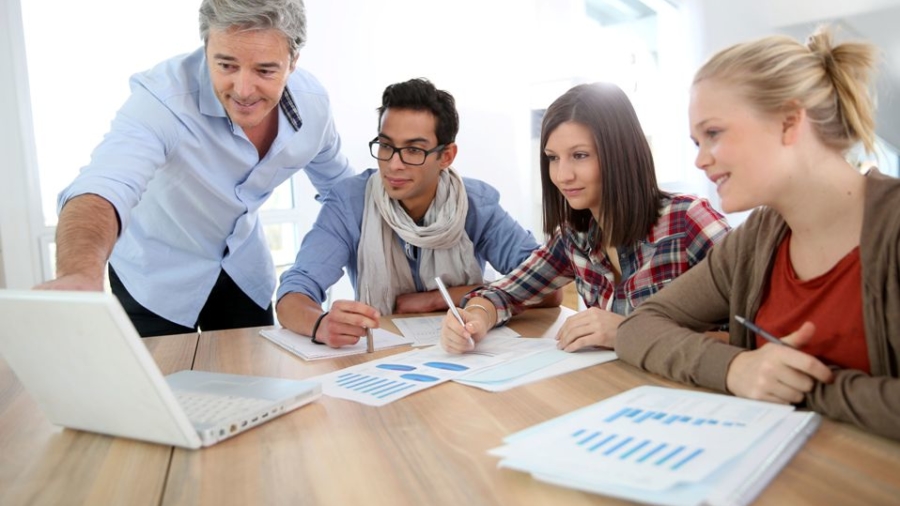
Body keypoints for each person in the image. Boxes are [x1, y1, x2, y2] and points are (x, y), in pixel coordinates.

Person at [616, 27, 900, 441]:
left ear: (789, 121)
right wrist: (735, 368)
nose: (699, 160)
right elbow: (639, 326)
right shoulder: (755, 241)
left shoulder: (891, 228)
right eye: (697, 141)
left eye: (713, 133)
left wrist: (807, 387)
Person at [37, 0, 354, 337]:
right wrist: (79, 274)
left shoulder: (313, 105)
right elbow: (104, 186)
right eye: (227, 65)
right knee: (161, 387)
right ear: (206, 48)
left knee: (256, 384)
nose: (244, 90)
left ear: (293, 62)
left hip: (243, 271)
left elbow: (346, 196)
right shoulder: (162, 99)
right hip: (153, 279)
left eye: (264, 70)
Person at [441, 82, 731, 354]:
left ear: (620, 154)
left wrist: (630, 333)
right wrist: (475, 319)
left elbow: (757, 339)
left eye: (579, 155)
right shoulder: (575, 236)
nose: (562, 175)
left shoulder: (689, 222)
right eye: (553, 158)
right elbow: (505, 293)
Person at [276, 78, 559, 348]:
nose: (394, 164)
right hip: (383, 357)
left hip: (465, 355)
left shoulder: (475, 203)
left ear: (446, 156)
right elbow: (292, 294)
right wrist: (320, 324)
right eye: (386, 146)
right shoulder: (350, 202)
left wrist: (436, 300)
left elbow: (548, 288)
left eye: (413, 150)